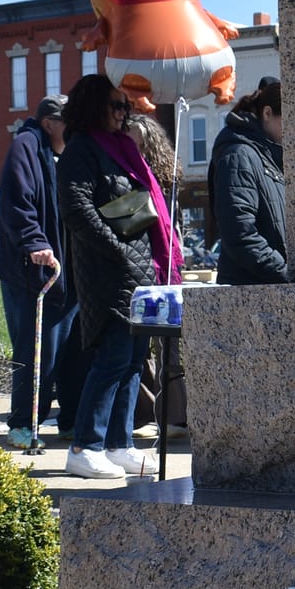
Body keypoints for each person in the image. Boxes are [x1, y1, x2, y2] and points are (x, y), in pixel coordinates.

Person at [57, 74, 181, 479]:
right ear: (94, 106)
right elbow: (77, 209)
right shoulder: (81, 149)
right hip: (110, 271)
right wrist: (119, 250)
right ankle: (85, 446)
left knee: (131, 361)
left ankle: (119, 442)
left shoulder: (122, 148)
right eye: (115, 105)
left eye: (125, 106)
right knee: (111, 358)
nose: (123, 113)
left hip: (140, 269)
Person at [0, 96, 81, 449]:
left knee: (73, 351)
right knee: (37, 352)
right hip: (34, 273)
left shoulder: (68, 154)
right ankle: (23, 424)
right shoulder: (26, 146)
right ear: (50, 123)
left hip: (71, 271)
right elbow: (17, 201)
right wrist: (34, 242)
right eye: (69, 124)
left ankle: (71, 420)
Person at [128, 109, 189, 437]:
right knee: (141, 344)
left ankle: (173, 414)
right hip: (144, 264)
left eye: (138, 143)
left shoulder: (165, 180)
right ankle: (147, 412)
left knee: (168, 345)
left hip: (164, 265)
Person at [208, 77, 287, 285]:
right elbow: (240, 234)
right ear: (267, 113)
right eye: (288, 121)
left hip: (267, 285)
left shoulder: (269, 157)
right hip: (249, 289)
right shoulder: (239, 155)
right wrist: (286, 271)